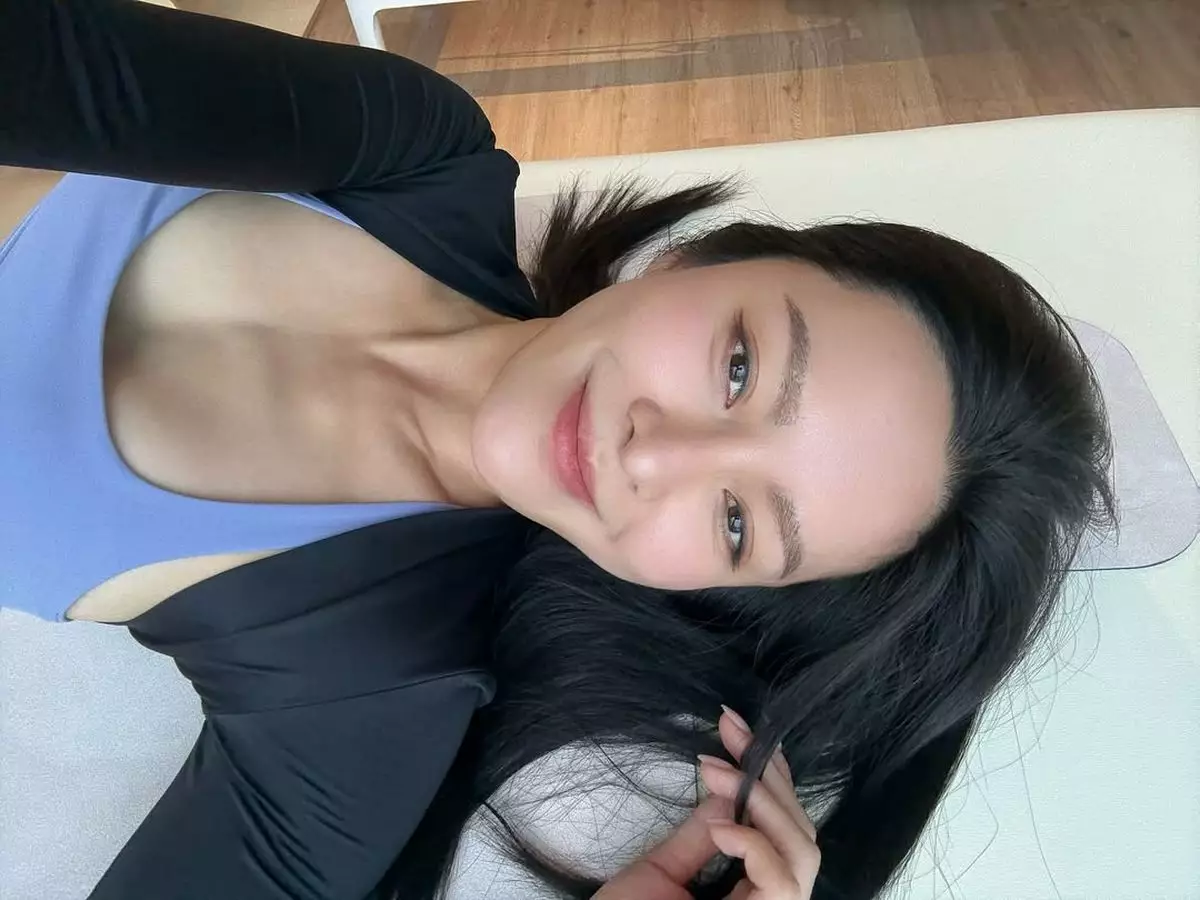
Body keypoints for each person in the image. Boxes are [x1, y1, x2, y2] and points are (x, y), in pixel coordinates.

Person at [0, 0, 1113, 898]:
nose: (655, 455)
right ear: (700, 258)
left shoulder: (373, 684)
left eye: (736, 522)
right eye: (739, 368)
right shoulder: (421, 153)